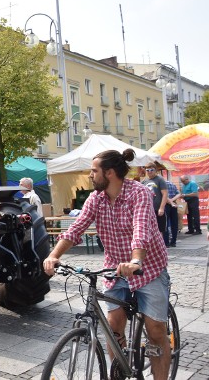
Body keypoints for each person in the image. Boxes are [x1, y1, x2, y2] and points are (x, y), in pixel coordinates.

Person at [43, 149, 170, 380]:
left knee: (156, 331)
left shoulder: (138, 193)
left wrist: (135, 260)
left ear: (109, 173)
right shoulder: (96, 198)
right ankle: (119, 372)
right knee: (113, 327)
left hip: (147, 268)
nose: (90, 175)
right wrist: (54, 255)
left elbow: (141, 230)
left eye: (94, 171)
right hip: (115, 271)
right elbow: (76, 229)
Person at [141, 163, 168, 244]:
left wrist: (162, 208)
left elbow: (165, 194)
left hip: (158, 208)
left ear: (155, 170)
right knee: (149, 228)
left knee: (160, 229)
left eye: (151, 170)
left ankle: (160, 244)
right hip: (148, 210)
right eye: (147, 170)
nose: (149, 172)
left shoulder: (160, 179)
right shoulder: (144, 181)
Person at [164, 179, 181, 247]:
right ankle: (173, 242)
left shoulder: (160, 184)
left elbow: (163, 195)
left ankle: (166, 243)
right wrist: (172, 201)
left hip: (165, 205)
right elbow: (179, 194)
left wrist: (169, 201)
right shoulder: (171, 183)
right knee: (174, 223)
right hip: (174, 204)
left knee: (165, 224)